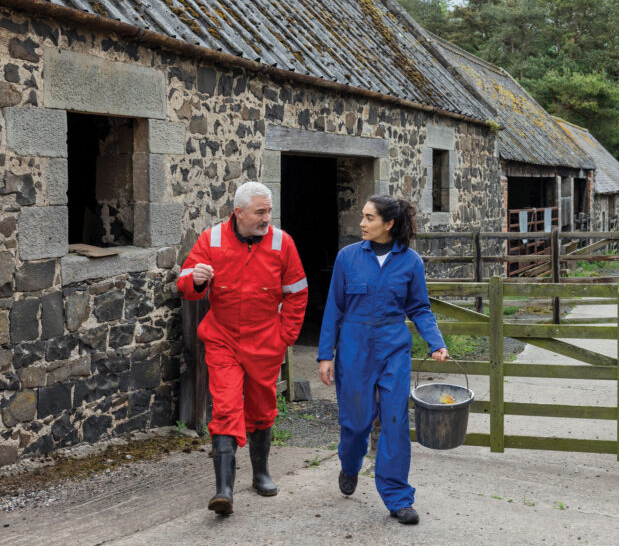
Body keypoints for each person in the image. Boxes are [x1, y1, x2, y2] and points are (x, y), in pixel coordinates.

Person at [177, 181, 308, 515]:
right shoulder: (212, 239)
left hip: (266, 340)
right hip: (222, 339)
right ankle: (223, 490)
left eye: (269, 211)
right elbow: (185, 284)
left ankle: (261, 473)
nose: (267, 218)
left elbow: (296, 292)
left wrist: (286, 336)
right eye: (260, 212)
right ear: (238, 212)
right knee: (225, 407)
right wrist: (197, 279)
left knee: (262, 407)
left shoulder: (283, 242)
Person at [317, 194, 449, 525]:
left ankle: (398, 497)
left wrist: (436, 342)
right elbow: (334, 309)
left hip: (393, 348)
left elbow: (419, 307)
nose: (361, 223)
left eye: (369, 218)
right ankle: (350, 465)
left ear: (388, 224)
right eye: (362, 216)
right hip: (354, 348)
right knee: (356, 422)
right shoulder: (347, 258)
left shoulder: (410, 262)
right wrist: (325, 356)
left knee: (395, 422)